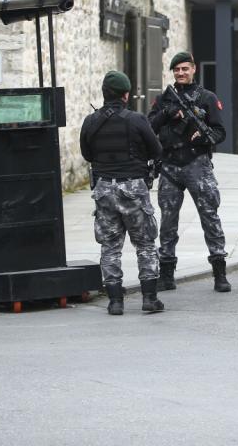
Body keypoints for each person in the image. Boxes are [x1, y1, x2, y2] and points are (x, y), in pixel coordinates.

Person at [80, 71, 165, 315]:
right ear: (126, 95)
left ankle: (115, 301)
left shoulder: (91, 122)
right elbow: (156, 149)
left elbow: (87, 154)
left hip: (104, 188)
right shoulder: (136, 120)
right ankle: (149, 298)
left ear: (104, 94)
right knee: (145, 244)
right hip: (133, 187)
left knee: (109, 247)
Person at [148, 52, 231, 292]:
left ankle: (219, 273)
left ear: (193, 69)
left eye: (185, 69)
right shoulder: (164, 99)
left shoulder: (206, 97)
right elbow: (149, 125)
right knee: (168, 222)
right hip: (170, 165)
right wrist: (167, 113)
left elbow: (219, 131)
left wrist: (205, 138)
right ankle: (166, 274)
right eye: (177, 70)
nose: (181, 73)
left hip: (197, 163)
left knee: (210, 217)